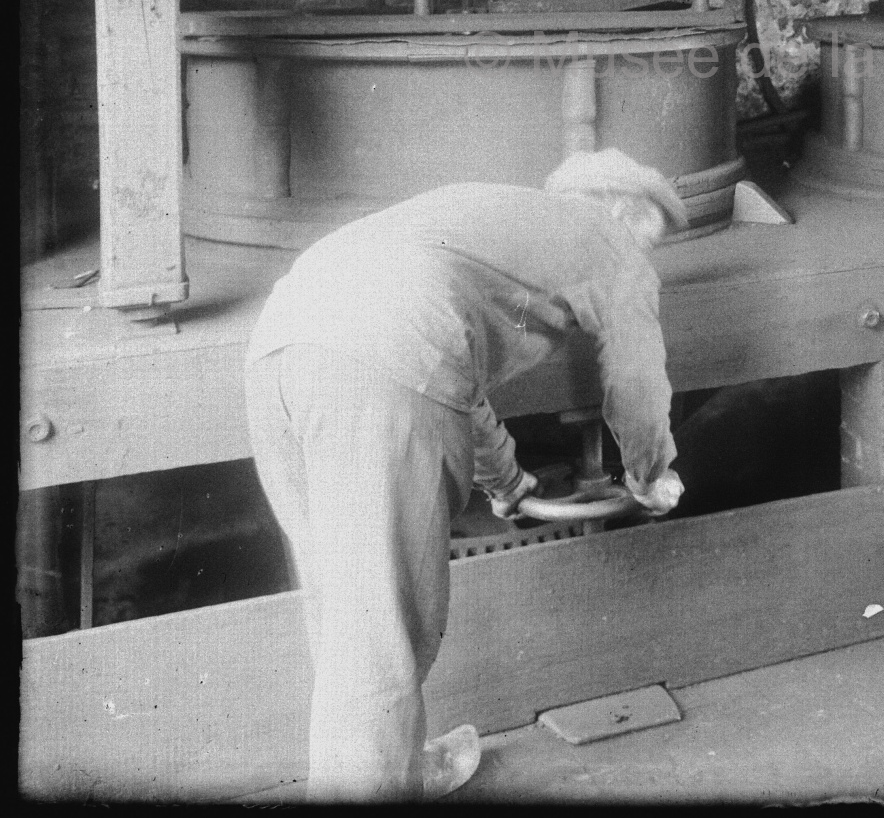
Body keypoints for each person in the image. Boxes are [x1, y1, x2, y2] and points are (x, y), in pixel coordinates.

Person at [244, 148, 690, 801]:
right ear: (622, 207)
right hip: (380, 369)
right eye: (654, 230)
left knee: (348, 610)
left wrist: (507, 482)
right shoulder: (608, 240)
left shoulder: (500, 222)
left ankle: (398, 767)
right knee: (383, 626)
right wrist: (651, 470)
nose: (650, 251)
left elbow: (446, 369)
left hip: (280, 349)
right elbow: (636, 373)